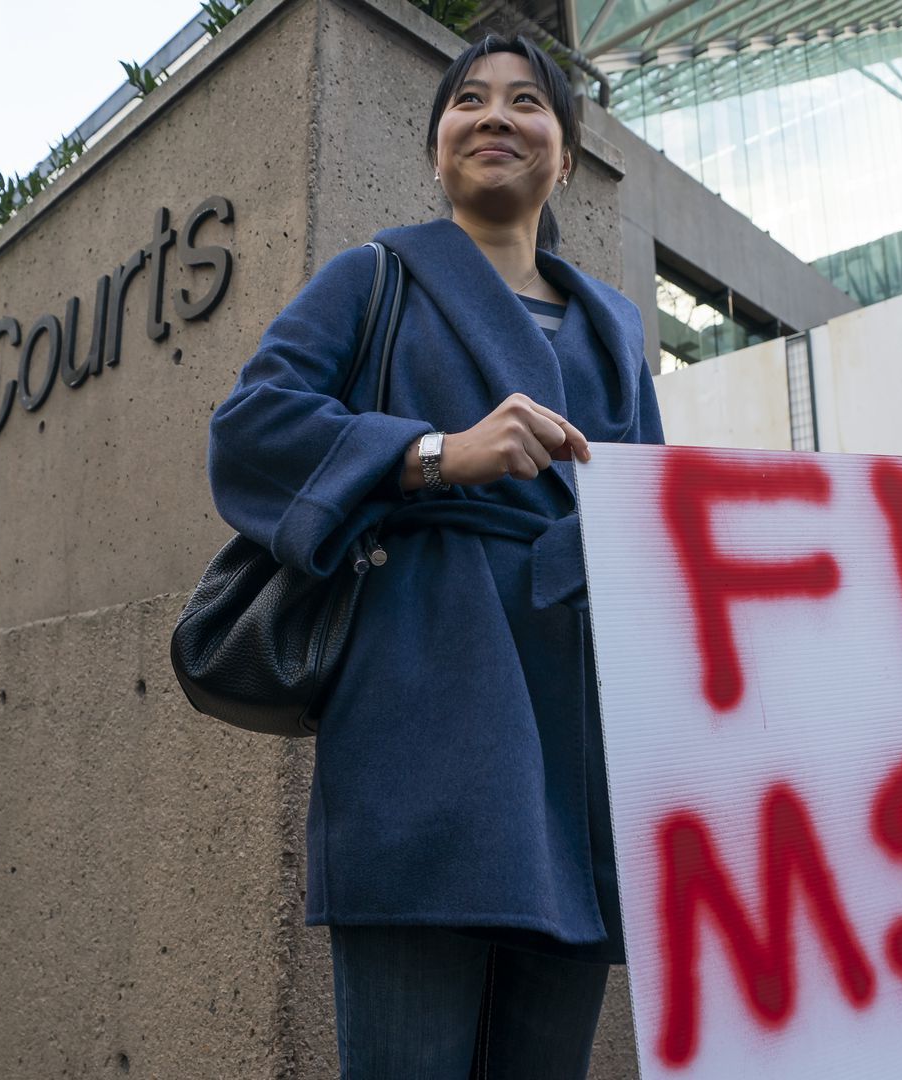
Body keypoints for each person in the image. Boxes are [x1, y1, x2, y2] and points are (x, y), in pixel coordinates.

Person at [206, 35, 663, 1080]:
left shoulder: (616, 328)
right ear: (437, 143)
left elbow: (648, 521)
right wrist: (432, 455)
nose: (496, 116)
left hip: (579, 740)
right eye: (469, 100)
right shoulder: (375, 276)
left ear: (566, 152)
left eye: (526, 103)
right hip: (427, 710)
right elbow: (249, 428)